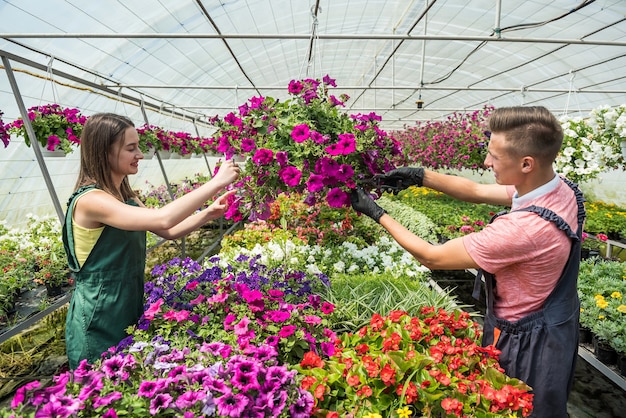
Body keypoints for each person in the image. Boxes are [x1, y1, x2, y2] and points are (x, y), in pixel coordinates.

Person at [351, 106, 585, 418]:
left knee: (517, 406)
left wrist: (377, 213)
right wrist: (420, 176)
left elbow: (431, 256)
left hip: (524, 342)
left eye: (495, 157)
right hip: (558, 323)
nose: (486, 163)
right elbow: (475, 190)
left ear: (526, 163)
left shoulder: (523, 230)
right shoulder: (559, 188)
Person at [61, 113, 240, 369]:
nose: (140, 155)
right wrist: (216, 183)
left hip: (126, 302)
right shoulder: (91, 200)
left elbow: (168, 230)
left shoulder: (124, 196)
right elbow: (163, 219)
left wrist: (208, 213)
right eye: (131, 148)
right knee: (101, 386)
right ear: (104, 152)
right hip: (99, 313)